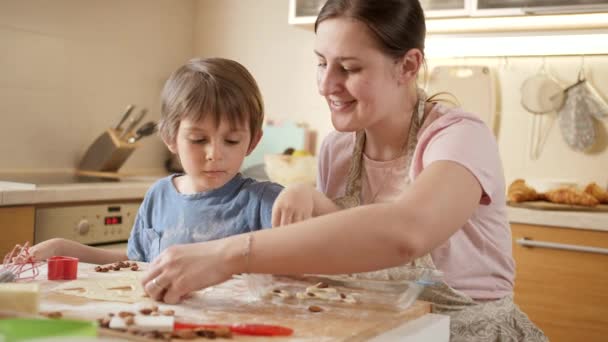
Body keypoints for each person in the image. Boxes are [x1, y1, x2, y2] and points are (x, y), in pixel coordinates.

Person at [142, 1, 546, 341]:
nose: (326, 84)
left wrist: (229, 254)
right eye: (321, 63)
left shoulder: (459, 136)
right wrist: (314, 204)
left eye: (348, 69)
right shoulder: (338, 150)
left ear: (408, 65)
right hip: (379, 330)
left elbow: (406, 233)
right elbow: (352, 259)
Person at [22, 57, 284, 265]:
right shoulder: (158, 196)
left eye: (231, 141)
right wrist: (64, 249)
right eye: (198, 139)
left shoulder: (263, 201)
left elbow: (318, 245)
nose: (214, 153)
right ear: (170, 138)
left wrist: (302, 197)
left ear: (252, 142)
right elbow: (138, 263)